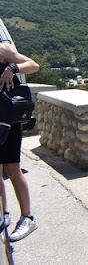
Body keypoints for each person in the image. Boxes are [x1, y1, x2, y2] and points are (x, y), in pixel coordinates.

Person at [0, 42, 39, 242]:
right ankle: (4, 214)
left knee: (13, 169)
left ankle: (28, 218)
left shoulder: (3, 50)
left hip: (7, 120)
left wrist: (12, 68)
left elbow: (33, 65)